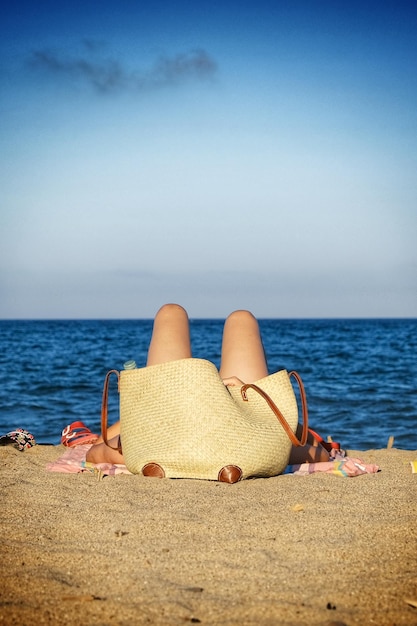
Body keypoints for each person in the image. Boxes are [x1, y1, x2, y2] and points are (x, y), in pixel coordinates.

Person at [86, 303, 331, 466]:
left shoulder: (148, 449)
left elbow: (96, 451)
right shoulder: (255, 453)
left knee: (172, 313)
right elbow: (319, 453)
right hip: (238, 424)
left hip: (175, 422)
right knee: (240, 319)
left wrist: (134, 415)